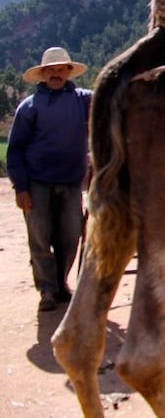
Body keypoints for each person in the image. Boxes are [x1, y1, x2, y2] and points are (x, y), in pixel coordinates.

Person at [7, 47, 92, 312]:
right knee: (40, 237)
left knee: (70, 235)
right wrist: (21, 187)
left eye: (60, 70)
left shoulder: (83, 100)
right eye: (50, 70)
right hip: (36, 182)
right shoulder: (29, 107)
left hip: (70, 181)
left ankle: (61, 283)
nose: (56, 74)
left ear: (68, 72)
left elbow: (111, 101)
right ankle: (46, 290)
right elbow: (15, 149)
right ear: (42, 74)